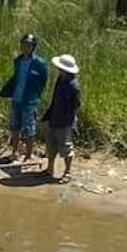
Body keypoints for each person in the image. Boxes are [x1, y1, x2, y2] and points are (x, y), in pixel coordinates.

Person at [0, 33, 48, 162]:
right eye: (24, 45)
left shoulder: (39, 63)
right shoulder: (18, 61)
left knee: (29, 128)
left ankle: (28, 155)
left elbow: (43, 82)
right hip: (17, 98)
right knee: (14, 126)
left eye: (29, 45)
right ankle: (15, 152)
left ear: (33, 47)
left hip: (30, 101)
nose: (26, 47)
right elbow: (15, 78)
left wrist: (36, 98)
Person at [41, 54, 81, 184]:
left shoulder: (73, 86)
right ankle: (50, 169)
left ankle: (67, 172)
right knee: (51, 145)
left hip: (64, 122)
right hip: (54, 117)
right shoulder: (60, 79)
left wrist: (68, 121)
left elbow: (76, 105)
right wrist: (48, 115)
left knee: (65, 147)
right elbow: (54, 100)